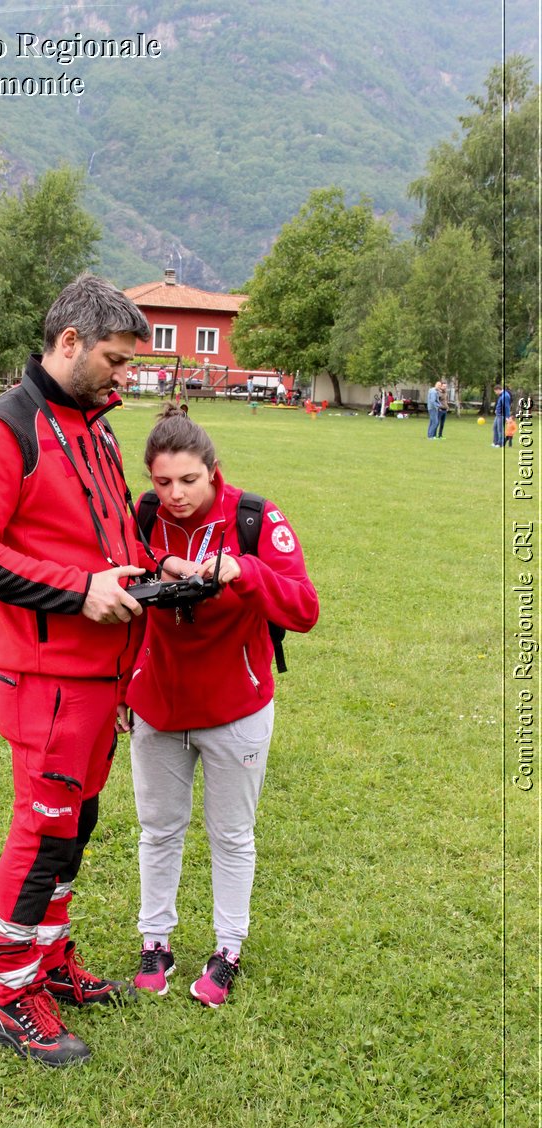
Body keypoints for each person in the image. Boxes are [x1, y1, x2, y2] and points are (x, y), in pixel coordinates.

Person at [0, 274, 152, 1067]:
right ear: (68, 343)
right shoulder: (1, 430)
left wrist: (151, 572)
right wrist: (79, 589)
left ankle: (51, 959)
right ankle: (10, 992)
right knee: (42, 831)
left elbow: (104, 540)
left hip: (104, 677)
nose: (125, 375)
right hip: (47, 682)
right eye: (115, 359)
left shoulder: (96, 429)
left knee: (77, 825)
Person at [118, 406, 319, 1007]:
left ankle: (227, 948)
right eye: (161, 482)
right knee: (159, 830)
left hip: (237, 705)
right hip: (157, 702)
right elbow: (118, 593)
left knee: (232, 835)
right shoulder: (143, 515)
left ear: (214, 472)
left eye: (188, 481)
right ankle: (156, 941)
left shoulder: (255, 517)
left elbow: (304, 610)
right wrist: (121, 683)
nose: (174, 495)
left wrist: (243, 570)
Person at [493, 383, 512, 447]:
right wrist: (496, 410)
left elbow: (507, 407)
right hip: (498, 414)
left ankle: (500, 443)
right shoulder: (501, 395)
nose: (495, 393)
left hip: (502, 415)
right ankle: (495, 442)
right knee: (495, 428)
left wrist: (507, 417)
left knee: (500, 429)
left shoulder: (505, 396)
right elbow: (500, 404)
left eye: (495, 392)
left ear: (498, 390)